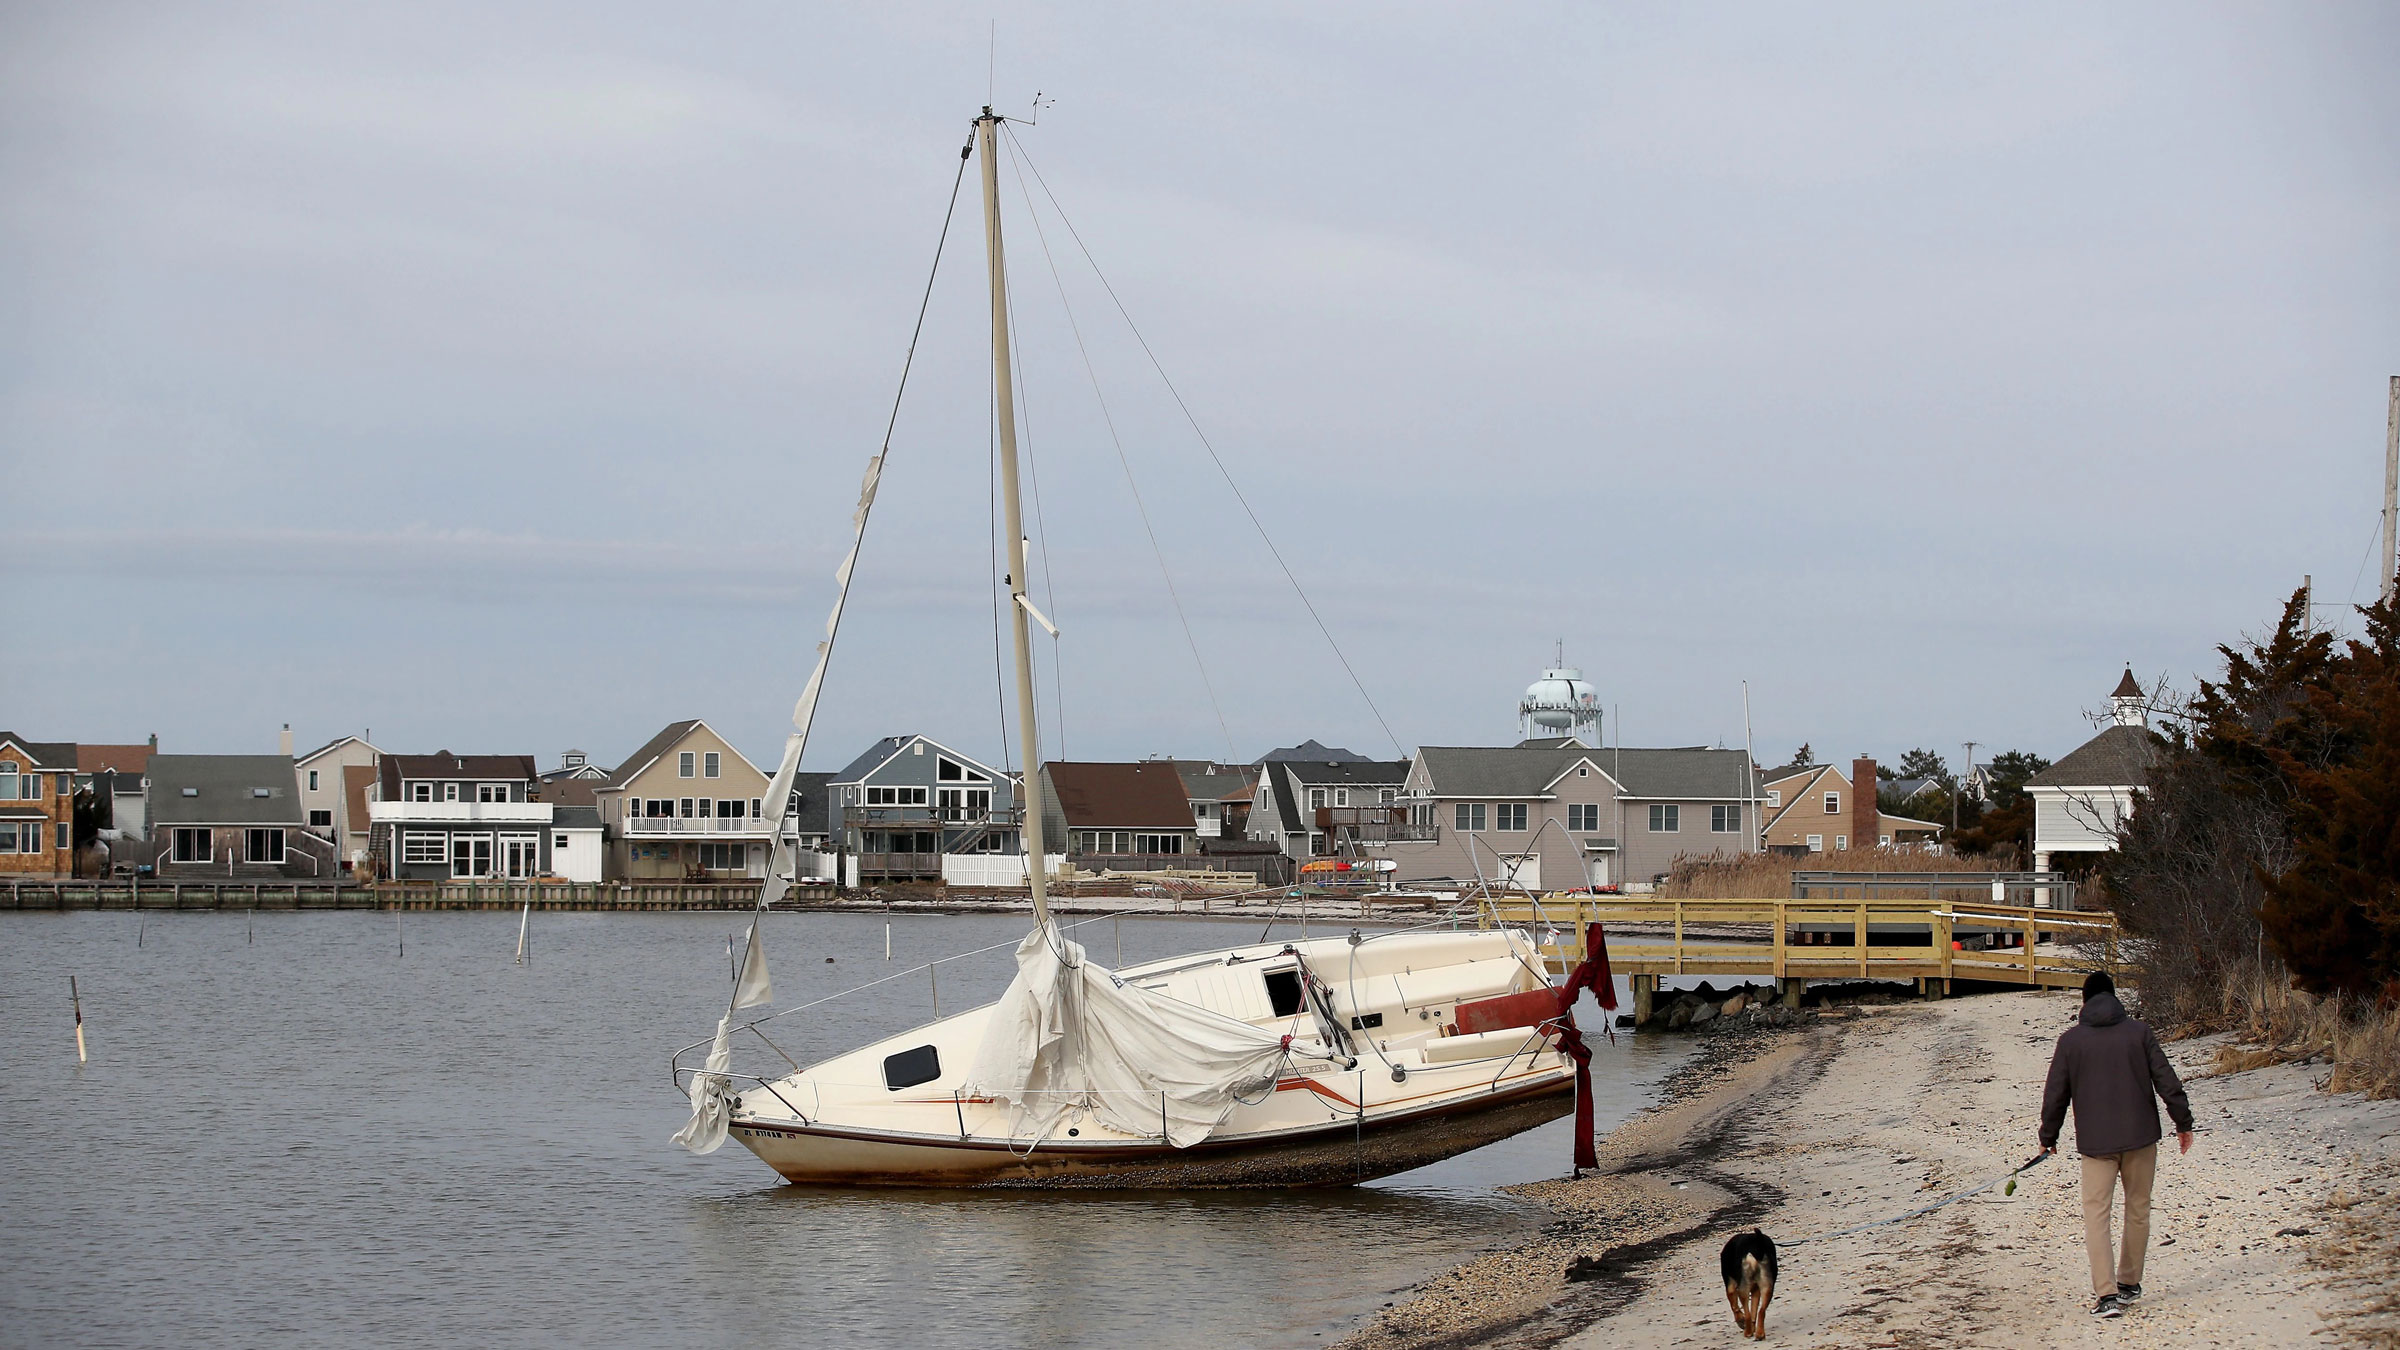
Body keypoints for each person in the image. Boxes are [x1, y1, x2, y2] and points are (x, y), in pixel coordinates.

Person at [2039, 971, 2196, 1319]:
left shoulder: (2070, 1041)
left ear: (2085, 1002)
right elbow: (2166, 1079)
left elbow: (2056, 1096)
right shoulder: (2139, 1033)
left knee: (2097, 1215)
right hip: (2141, 1138)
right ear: (2114, 997)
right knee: (2138, 1208)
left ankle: (2107, 1294)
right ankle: (2129, 1283)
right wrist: (2182, 1122)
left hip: (2096, 1145)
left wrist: (2048, 1138)